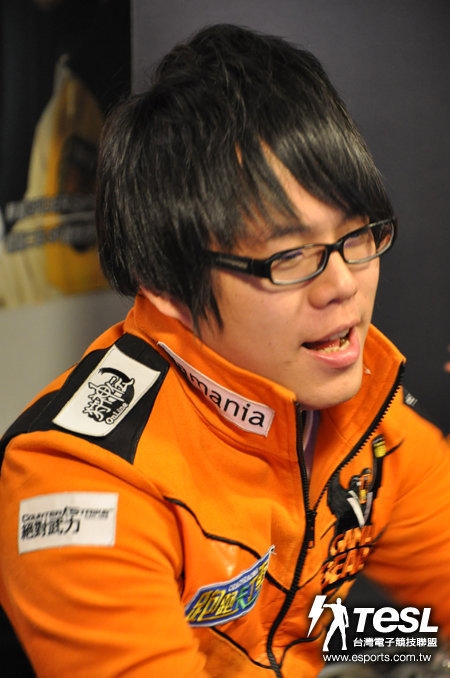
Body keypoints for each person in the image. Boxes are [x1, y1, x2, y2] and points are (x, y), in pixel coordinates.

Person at [0, 23, 449, 678]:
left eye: (358, 235)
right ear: (167, 283)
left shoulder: (365, 419)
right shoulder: (81, 479)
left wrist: (401, 652)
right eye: (289, 256)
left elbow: (321, 630)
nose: (343, 285)